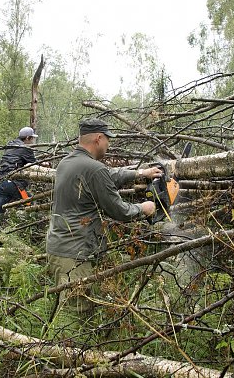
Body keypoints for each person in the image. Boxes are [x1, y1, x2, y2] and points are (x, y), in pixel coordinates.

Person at [46, 118, 160, 319]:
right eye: (108, 139)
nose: (109, 144)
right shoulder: (93, 169)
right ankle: (64, 351)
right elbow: (119, 211)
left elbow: (107, 175)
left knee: (65, 308)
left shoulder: (67, 162)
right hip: (75, 255)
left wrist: (140, 173)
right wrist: (144, 208)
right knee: (76, 317)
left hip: (58, 249)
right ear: (98, 138)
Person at [0, 126, 39, 234]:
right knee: (31, 203)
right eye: (32, 138)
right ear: (28, 138)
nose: (33, 141)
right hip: (14, 185)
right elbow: (34, 164)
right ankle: (33, 232)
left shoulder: (10, 145)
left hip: (0, 183)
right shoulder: (25, 148)